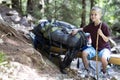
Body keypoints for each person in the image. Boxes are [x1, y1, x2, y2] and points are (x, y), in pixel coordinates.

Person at [72, 6, 111, 76]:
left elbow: (107, 39)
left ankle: (103, 71)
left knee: (104, 58)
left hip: (104, 48)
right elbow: (83, 29)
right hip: (94, 48)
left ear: (100, 16)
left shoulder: (104, 26)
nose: (93, 16)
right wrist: (77, 30)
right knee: (84, 53)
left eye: (95, 14)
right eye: (92, 14)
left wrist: (101, 34)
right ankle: (88, 70)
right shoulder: (91, 26)